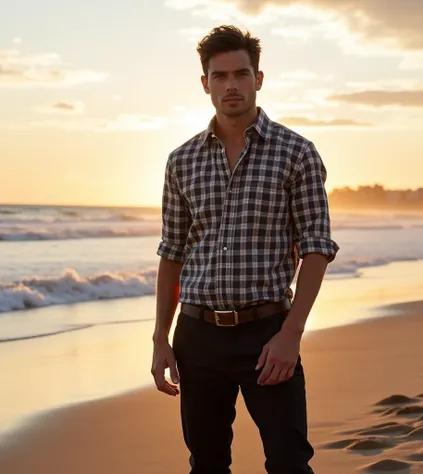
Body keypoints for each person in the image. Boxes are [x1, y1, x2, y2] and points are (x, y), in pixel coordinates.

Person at [151, 25, 339, 474]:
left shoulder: (297, 153)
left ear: (258, 78)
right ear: (205, 84)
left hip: (268, 331)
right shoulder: (182, 160)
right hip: (197, 336)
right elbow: (173, 252)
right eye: (220, 76)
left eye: (241, 73)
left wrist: (291, 334)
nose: (231, 85)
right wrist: (161, 337)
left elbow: (316, 248)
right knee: (207, 463)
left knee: (289, 462)